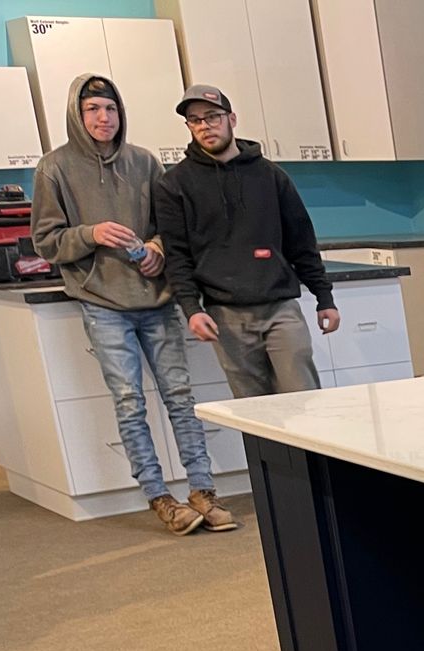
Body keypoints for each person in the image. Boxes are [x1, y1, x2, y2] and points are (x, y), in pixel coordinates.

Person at [30, 74, 230, 536]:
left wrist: (158, 248)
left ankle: (203, 490)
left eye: (111, 109)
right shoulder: (53, 169)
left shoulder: (145, 163)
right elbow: (45, 242)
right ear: (77, 117)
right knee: (128, 402)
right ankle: (160, 498)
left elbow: (169, 228)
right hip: (102, 303)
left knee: (181, 398)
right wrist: (90, 234)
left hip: (155, 300)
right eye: (93, 110)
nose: (104, 118)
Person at [153, 84, 341, 399]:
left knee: (306, 402)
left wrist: (325, 298)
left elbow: (302, 243)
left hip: (280, 308)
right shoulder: (174, 185)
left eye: (212, 116)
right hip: (225, 316)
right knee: (254, 413)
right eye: (195, 120)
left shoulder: (271, 176)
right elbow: (177, 255)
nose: (205, 126)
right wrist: (191, 309)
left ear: (232, 119)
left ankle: (314, 453)